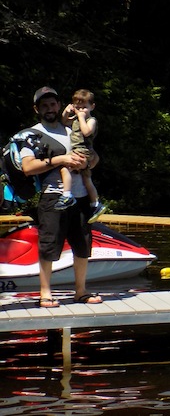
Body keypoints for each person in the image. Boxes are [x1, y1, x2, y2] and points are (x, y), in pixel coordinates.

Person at [19, 86, 99, 307]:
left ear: (59, 105)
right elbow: (27, 167)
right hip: (53, 197)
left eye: (53, 104)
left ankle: (81, 291)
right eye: (44, 105)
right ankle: (45, 293)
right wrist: (60, 160)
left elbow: (95, 158)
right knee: (49, 245)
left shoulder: (71, 128)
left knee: (82, 245)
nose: (49, 108)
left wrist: (88, 161)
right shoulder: (31, 134)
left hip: (81, 197)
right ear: (37, 109)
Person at [55, 89, 107, 222]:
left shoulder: (90, 120)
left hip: (83, 151)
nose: (80, 110)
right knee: (86, 178)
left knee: (64, 167)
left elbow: (86, 132)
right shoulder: (77, 118)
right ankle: (95, 204)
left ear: (92, 107)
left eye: (84, 107)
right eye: (78, 107)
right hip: (80, 150)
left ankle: (66, 195)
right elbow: (64, 122)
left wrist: (81, 117)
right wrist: (67, 112)